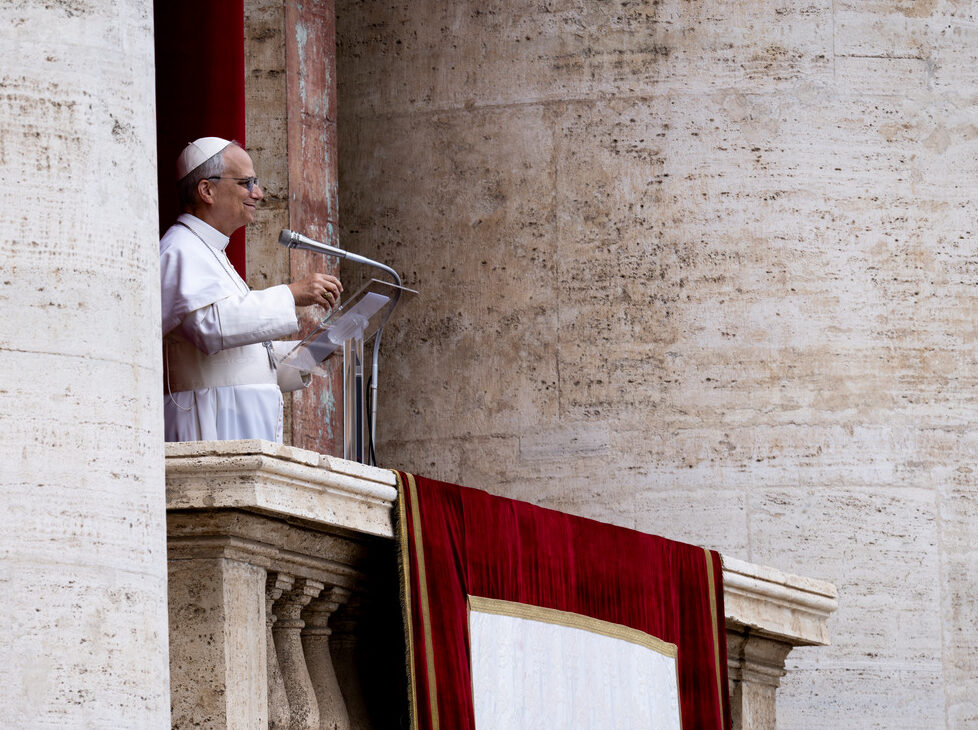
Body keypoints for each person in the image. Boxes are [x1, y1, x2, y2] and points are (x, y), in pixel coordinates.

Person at [160, 136, 342, 442]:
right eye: (246, 182)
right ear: (207, 190)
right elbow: (212, 329)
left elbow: (240, 362)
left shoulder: (211, 252)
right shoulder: (180, 248)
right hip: (207, 423)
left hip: (237, 421)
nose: (257, 194)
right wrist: (291, 294)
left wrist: (311, 352)